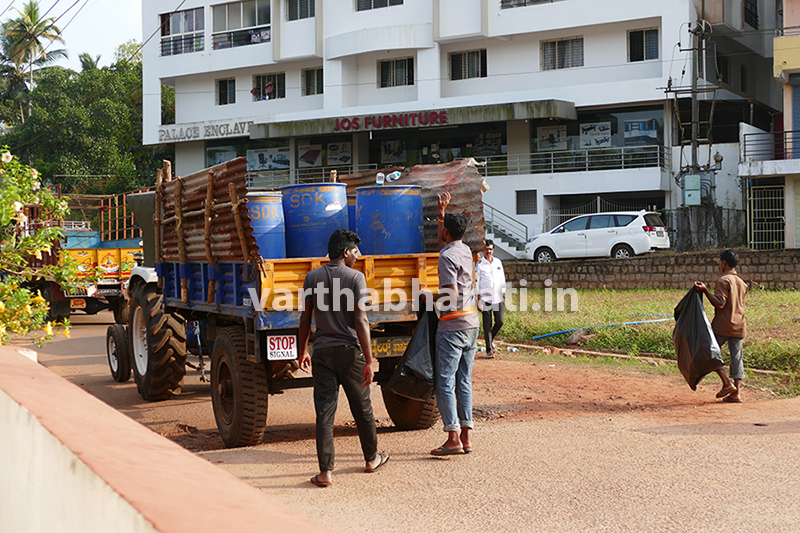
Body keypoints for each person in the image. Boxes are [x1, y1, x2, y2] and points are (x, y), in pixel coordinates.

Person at [298, 229, 390, 487]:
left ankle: (325, 472)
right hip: (351, 354)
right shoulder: (356, 278)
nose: (358, 256)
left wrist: (301, 350)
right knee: (362, 409)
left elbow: (305, 318)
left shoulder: (312, 277)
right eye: (355, 251)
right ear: (344, 251)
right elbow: (361, 319)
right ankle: (371, 459)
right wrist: (370, 360)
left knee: (324, 413)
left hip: (323, 353)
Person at [424, 191, 480, 456]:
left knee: (445, 382)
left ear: (447, 232)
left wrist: (427, 297)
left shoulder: (446, 257)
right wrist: (442, 214)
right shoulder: (465, 250)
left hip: (454, 326)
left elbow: (451, 295)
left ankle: (452, 438)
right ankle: (466, 437)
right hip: (472, 324)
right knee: (464, 381)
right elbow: (444, 244)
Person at [694, 249, 748, 403]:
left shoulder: (723, 281)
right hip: (740, 325)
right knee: (737, 358)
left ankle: (726, 383)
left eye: (719, 262)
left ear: (724, 263)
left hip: (723, 326)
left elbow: (720, 303)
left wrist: (704, 290)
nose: (719, 265)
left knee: (709, 351)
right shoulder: (742, 283)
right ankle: (736, 393)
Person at [475, 239, 506, 359]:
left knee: (500, 321)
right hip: (485, 297)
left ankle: (490, 339)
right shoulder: (480, 264)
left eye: (491, 249)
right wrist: (478, 298)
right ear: (483, 250)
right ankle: (489, 350)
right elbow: (477, 281)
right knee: (487, 324)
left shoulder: (497, 262)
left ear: (493, 250)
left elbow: (501, 278)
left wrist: (503, 294)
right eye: (486, 249)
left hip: (497, 296)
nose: (489, 251)